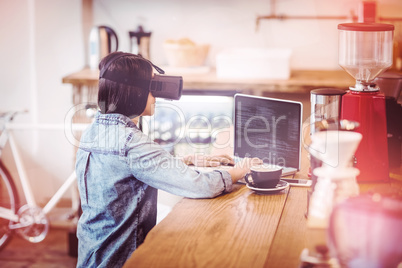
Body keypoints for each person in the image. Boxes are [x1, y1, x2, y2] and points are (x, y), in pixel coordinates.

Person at [75, 51, 261, 267]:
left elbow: (134, 167)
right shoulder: (131, 143)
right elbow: (200, 186)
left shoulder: (94, 131)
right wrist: (239, 170)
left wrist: (189, 160)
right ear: (134, 93)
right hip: (120, 260)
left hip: (91, 254)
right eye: (151, 89)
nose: (156, 97)